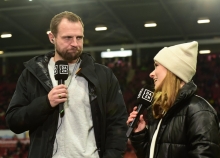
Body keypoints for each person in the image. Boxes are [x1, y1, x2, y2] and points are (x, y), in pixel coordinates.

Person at [6, 11, 128, 158]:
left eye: (79, 37)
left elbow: (118, 123)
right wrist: (45, 103)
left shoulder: (103, 75)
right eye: (68, 38)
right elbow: (14, 121)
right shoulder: (32, 74)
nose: (75, 43)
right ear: (52, 37)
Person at [127, 41, 220, 158]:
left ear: (172, 70)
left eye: (156, 65)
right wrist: (140, 134)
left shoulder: (199, 111)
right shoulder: (162, 110)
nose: (151, 74)